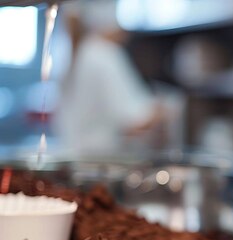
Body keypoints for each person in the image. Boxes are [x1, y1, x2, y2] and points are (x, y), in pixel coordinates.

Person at [51, 0, 165, 157]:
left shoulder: (72, 54)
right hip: (99, 164)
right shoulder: (103, 54)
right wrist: (164, 108)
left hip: (70, 159)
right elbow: (136, 121)